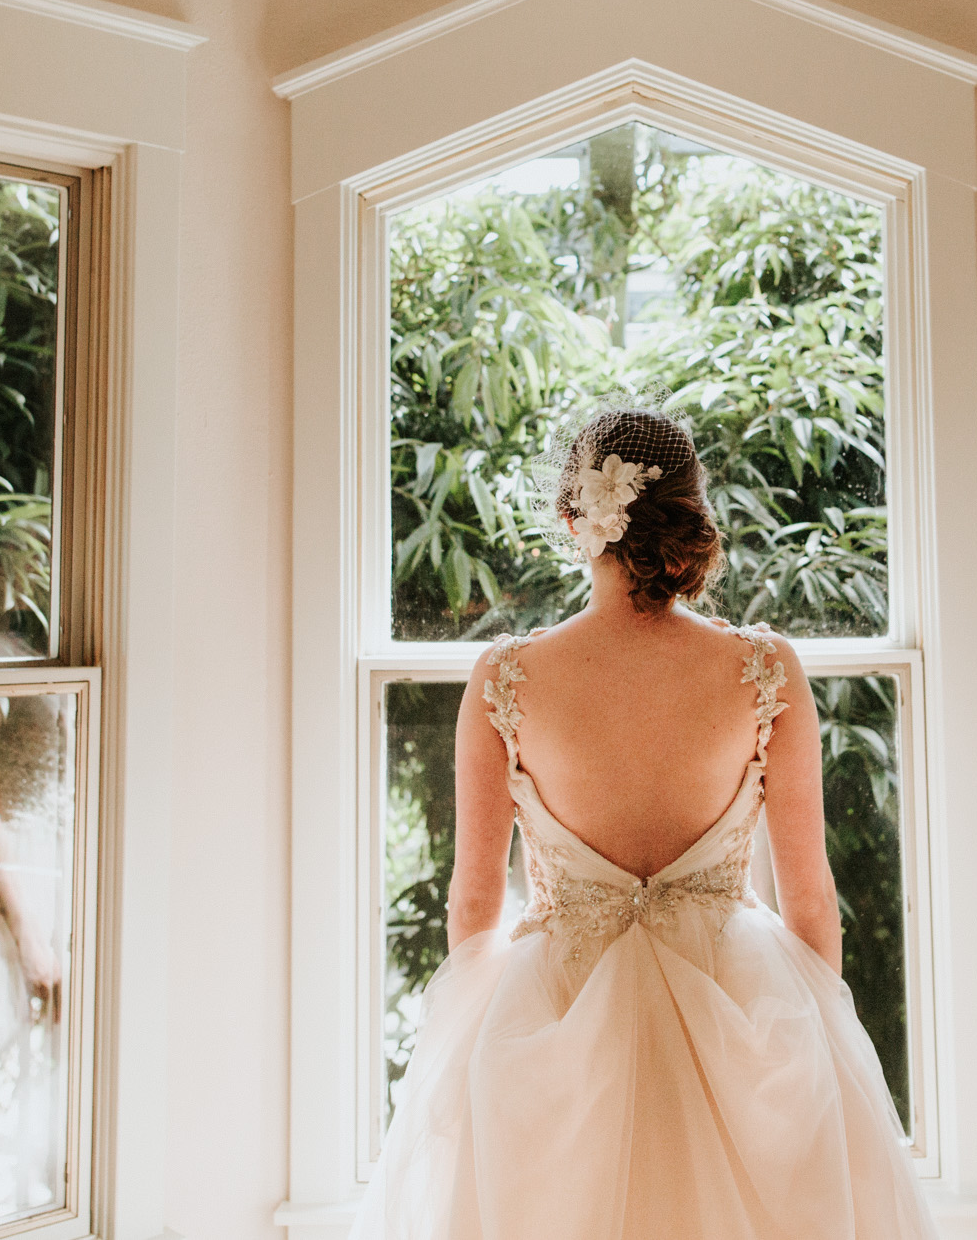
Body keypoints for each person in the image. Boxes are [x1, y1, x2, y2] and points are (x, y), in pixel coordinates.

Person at [354, 409, 937, 1239]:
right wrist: (818, 1048)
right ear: (692, 513)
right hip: (742, 1015)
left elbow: (473, 903)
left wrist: (466, 1063)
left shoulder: (506, 677)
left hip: (555, 1024)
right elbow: (811, 898)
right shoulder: (764, 670)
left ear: (574, 518)